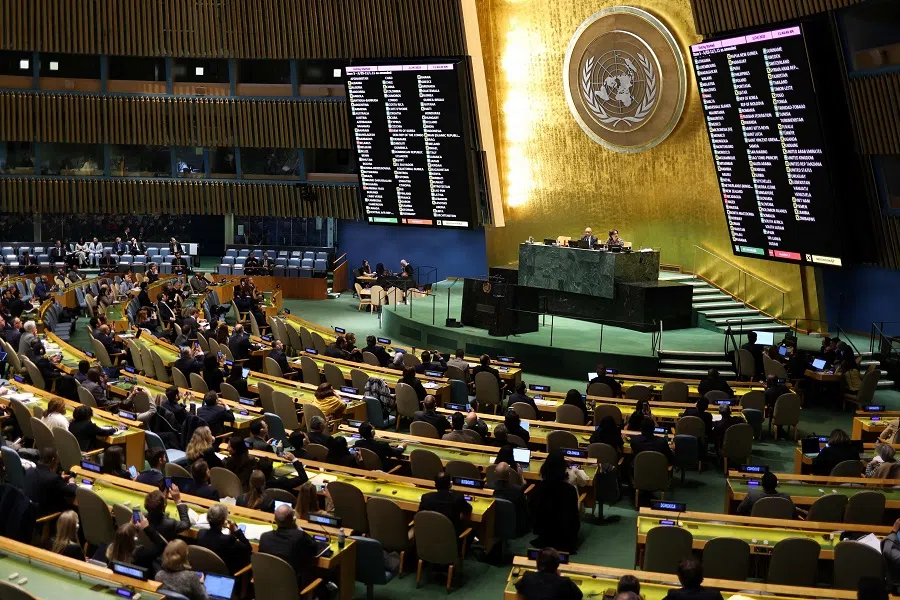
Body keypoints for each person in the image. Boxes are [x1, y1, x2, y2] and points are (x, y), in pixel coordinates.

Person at [258, 504, 322, 592]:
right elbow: (314, 549)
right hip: (292, 589)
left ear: (275, 520)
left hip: (267, 589)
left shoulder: (264, 537)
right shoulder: (299, 537)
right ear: (293, 519)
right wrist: (296, 526)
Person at [530, 452, 580, 552]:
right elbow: (574, 516)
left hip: (544, 534)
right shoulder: (569, 489)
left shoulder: (539, 488)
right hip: (565, 536)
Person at [197, 503, 252, 575]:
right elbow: (248, 548)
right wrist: (235, 530)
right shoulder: (228, 540)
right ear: (224, 521)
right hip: (223, 573)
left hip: (205, 570)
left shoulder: (201, 533)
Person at [514, 547, 583, 600]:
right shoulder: (564, 582)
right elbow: (579, 596)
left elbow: (518, 586)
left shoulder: (528, 576)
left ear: (537, 562)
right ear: (557, 565)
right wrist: (560, 576)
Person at [24, 447, 76, 516]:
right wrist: (71, 482)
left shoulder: (29, 471)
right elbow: (71, 491)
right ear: (53, 460)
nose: (57, 464)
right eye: (57, 463)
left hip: (30, 512)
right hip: (46, 516)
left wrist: (60, 478)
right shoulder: (53, 478)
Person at [489, 462, 529, 535]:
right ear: (509, 474)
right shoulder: (517, 490)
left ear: (495, 473)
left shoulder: (487, 487)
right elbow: (523, 511)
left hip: (492, 523)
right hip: (513, 526)